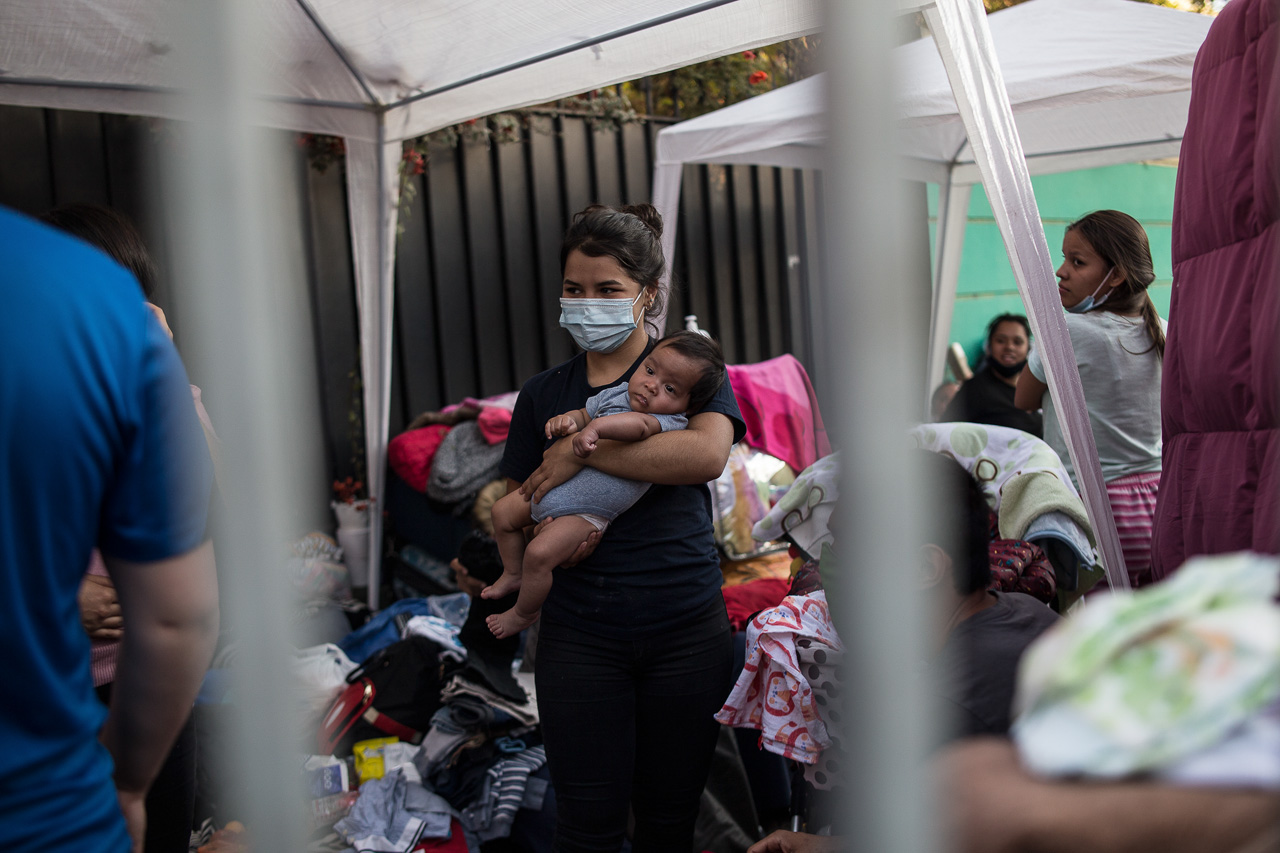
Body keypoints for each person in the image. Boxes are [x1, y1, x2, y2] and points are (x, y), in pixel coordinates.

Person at [500, 202, 745, 852]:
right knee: (587, 829)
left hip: (686, 630)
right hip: (582, 636)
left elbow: (704, 454)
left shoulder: (692, 373)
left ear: (647, 294)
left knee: (671, 825)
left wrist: (579, 449)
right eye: (574, 289)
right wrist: (542, 532)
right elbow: (519, 502)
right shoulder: (543, 395)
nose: (588, 303)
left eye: (607, 289)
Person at [0, 205, 218, 852]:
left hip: (134, 680)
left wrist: (166, 367)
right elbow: (182, 615)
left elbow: (209, 485)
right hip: (72, 709)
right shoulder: (77, 339)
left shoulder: (142, 371)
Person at [484, 330, 726, 639]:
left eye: (669, 388)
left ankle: (523, 613)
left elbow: (635, 428)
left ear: (688, 406)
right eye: (650, 370)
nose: (651, 385)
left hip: (585, 514)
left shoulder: (667, 421)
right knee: (501, 514)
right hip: (550, 492)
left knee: (540, 554)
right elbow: (585, 412)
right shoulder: (617, 393)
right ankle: (513, 572)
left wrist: (595, 429)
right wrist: (570, 422)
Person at [1015, 210, 1166, 587]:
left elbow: (1023, 398)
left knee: (1096, 624)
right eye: (1064, 257)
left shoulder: (1069, 330)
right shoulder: (1162, 330)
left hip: (1093, 506)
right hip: (1157, 501)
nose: (1060, 271)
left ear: (1115, 275)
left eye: (1077, 262)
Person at [940, 313, 1042, 437]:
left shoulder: (1037, 388)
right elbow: (947, 435)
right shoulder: (973, 390)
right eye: (1000, 341)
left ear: (1028, 348)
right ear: (989, 346)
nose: (1009, 347)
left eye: (1017, 342)